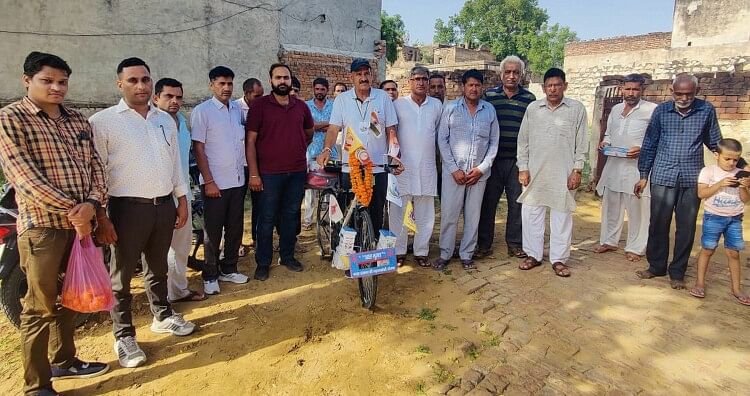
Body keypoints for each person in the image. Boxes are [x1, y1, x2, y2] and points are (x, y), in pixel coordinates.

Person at [0, 51, 109, 395]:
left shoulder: (77, 120)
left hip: (82, 226)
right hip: (43, 228)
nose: (57, 88)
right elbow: (25, 179)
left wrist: (92, 204)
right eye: (48, 81)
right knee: (39, 306)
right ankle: (37, 384)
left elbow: (96, 168)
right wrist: (76, 210)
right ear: (27, 80)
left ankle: (65, 361)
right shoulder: (11, 119)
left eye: (62, 81)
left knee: (72, 296)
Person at [90, 57, 195, 369]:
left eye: (145, 80)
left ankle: (162, 314)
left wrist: (182, 199)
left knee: (158, 266)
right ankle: (123, 335)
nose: (141, 86)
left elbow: (175, 164)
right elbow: (96, 172)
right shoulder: (103, 122)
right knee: (121, 276)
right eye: (133, 80)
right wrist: (102, 216)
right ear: (119, 84)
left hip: (162, 206)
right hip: (125, 209)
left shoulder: (164, 120)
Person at [635, 74, 722, 289]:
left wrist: (736, 163)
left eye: (689, 94)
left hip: (692, 179)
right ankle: (656, 266)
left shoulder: (706, 110)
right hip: (663, 175)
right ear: (672, 91)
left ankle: (677, 272)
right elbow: (650, 144)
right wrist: (644, 175)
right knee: (657, 223)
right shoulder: (661, 112)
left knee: (686, 227)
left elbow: (715, 142)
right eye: (679, 93)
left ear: (697, 91)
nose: (684, 98)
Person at [516, 67, 588, 278]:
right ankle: (533, 255)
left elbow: (582, 143)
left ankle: (558, 259)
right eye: (549, 85)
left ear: (565, 86)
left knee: (562, 217)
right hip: (535, 172)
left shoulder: (576, 109)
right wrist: (523, 167)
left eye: (558, 85)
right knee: (531, 215)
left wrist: (577, 170)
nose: (553, 89)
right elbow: (524, 141)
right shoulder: (533, 108)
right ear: (543, 87)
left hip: (564, 172)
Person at [317, 58, 401, 233]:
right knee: (351, 212)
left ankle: (373, 250)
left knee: (377, 212)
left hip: (377, 167)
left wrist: (394, 156)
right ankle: (350, 252)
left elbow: (391, 130)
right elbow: (333, 129)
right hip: (351, 167)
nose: (363, 77)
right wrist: (326, 149)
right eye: (358, 74)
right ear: (351, 77)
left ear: (372, 75)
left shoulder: (382, 97)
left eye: (366, 73)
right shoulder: (342, 100)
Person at [246, 64, 314, 281]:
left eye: (286, 78)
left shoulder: (301, 107)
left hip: (296, 173)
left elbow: (309, 132)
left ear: (290, 80)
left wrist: (296, 148)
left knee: (291, 216)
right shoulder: (260, 106)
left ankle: (287, 256)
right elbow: (250, 141)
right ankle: (263, 262)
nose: (282, 81)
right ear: (271, 80)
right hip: (268, 174)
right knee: (266, 219)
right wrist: (254, 174)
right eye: (278, 78)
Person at [190, 66, 249, 295]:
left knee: (234, 228)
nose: (226, 88)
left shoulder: (236, 110)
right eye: (221, 83)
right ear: (211, 85)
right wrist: (209, 180)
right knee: (213, 231)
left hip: (237, 180)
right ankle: (210, 274)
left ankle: (229, 268)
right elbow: (199, 148)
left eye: (229, 83)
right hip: (215, 183)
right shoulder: (202, 111)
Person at [433, 69, 499, 271]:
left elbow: (494, 142)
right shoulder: (451, 109)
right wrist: (453, 169)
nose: (474, 88)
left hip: (478, 175)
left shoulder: (489, 110)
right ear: (463, 87)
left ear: (482, 87)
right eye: (470, 85)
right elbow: (442, 140)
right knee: (449, 215)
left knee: (473, 216)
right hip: (454, 174)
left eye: (477, 85)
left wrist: (481, 168)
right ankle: (445, 253)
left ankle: (466, 254)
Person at [476, 56, 536, 259]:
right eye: (508, 72)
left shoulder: (529, 99)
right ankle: (484, 244)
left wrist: (526, 163)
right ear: (501, 74)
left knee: (517, 202)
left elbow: (532, 133)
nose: (512, 76)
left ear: (521, 75)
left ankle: (515, 243)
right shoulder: (489, 96)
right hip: (492, 160)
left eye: (516, 72)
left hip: (518, 161)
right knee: (488, 203)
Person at [152, 78, 206, 303]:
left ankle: (178, 290)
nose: (175, 101)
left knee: (181, 245)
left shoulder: (182, 122)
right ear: (156, 98)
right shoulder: (151, 123)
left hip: (183, 192)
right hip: (159, 196)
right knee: (159, 250)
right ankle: (161, 300)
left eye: (178, 97)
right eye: (168, 96)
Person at [594, 74, 656, 261]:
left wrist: (642, 150)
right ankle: (609, 241)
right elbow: (609, 134)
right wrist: (605, 143)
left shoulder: (652, 110)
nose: (631, 93)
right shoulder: (616, 109)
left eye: (635, 89)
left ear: (642, 90)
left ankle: (636, 247)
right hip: (614, 164)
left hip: (637, 167)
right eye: (627, 89)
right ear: (622, 89)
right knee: (611, 205)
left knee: (638, 208)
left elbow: (657, 139)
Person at [389, 66, 442, 268]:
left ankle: (421, 251)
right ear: (409, 82)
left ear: (429, 82)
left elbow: (439, 134)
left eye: (424, 79)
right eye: (417, 79)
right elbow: (390, 132)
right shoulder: (398, 105)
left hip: (427, 167)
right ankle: (399, 250)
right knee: (398, 211)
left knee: (426, 212)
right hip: (402, 167)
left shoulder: (436, 106)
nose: (421, 82)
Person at [689, 139, 750, 305]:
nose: (732, 163)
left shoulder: (741, 174)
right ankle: (700, 283)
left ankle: (736, 289)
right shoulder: (708, 171)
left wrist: (744, 186)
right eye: (727, 159)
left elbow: (745, 200)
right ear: (717, 155)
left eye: (735, 160)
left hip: (735, 218)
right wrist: (720, 183)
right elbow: (702, 193)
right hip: (713, 216)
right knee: (708, 249)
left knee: (734, 253)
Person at [303, 77, 335, 229]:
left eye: (323, 89)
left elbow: (338, 125)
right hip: (312, 152)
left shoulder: (334, 105)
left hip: (331, 153)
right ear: (313, 89)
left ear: (327, 90)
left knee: (331, 188)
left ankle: (329, 219)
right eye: (317, 89)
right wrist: (326, 125)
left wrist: (318, 126)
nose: (320, 92)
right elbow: (307, 126)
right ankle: (308, 220)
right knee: (310, 188)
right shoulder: (306, 106)